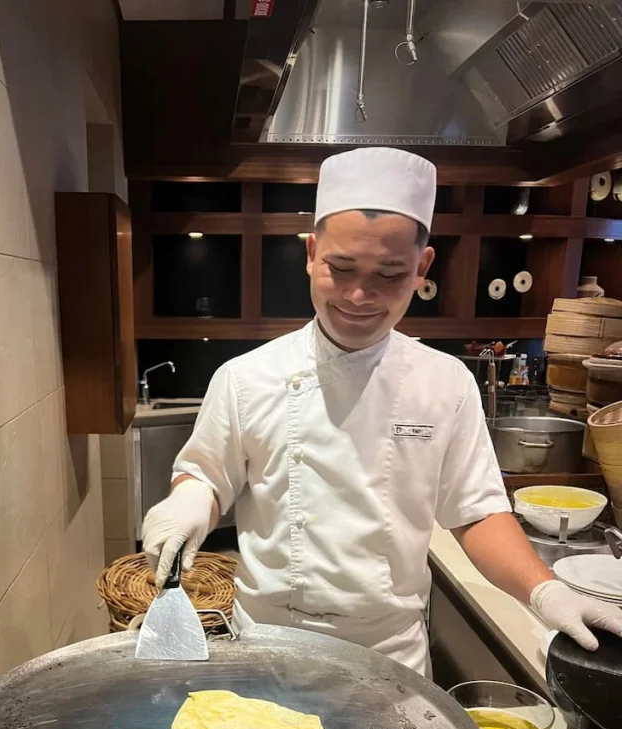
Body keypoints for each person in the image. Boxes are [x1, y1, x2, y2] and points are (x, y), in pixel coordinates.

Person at [142, 147, 622, 676]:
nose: (359, 295)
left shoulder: (446, 383)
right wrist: (189, 500)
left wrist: (544, 591)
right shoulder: (245, 377)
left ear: (423, 267)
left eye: (390, 275)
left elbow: (477, 512)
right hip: (266, 648)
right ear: (309, 253)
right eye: (340, 267)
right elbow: (208, 477)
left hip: (390, 658)